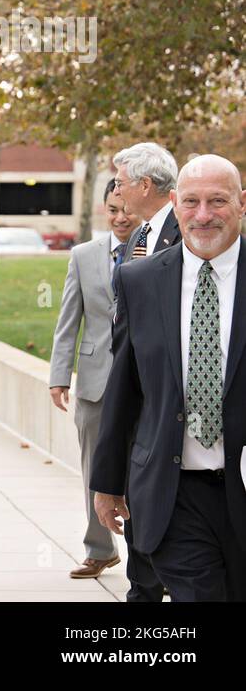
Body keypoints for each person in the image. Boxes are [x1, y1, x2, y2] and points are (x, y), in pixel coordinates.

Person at [92, 155, 246, 601]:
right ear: (175, 204)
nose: (203, 215)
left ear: (241, 204)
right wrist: (107, 482)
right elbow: (124, 388)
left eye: (217, 201)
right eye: (192, 201)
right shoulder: (138, 280)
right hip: (173, 491)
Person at [48, 178, 136, 580]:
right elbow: (69, 320)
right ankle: (100, 549)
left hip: (143, 379)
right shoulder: (83, 255)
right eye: (112, 210)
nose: (120, 217)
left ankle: (150, 557)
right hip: (95, 380)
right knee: (94, 468)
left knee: (142, 471)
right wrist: (59, 375)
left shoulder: (160, 250)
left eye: (127, 209)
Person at [107, 140, 180, 600]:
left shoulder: (183, 231)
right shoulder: (137, 235)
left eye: (120, 182)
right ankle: (143, 584)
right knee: (135, 500)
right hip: (133, 390)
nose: (116, 190)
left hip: (166, 395)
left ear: (145, 185)